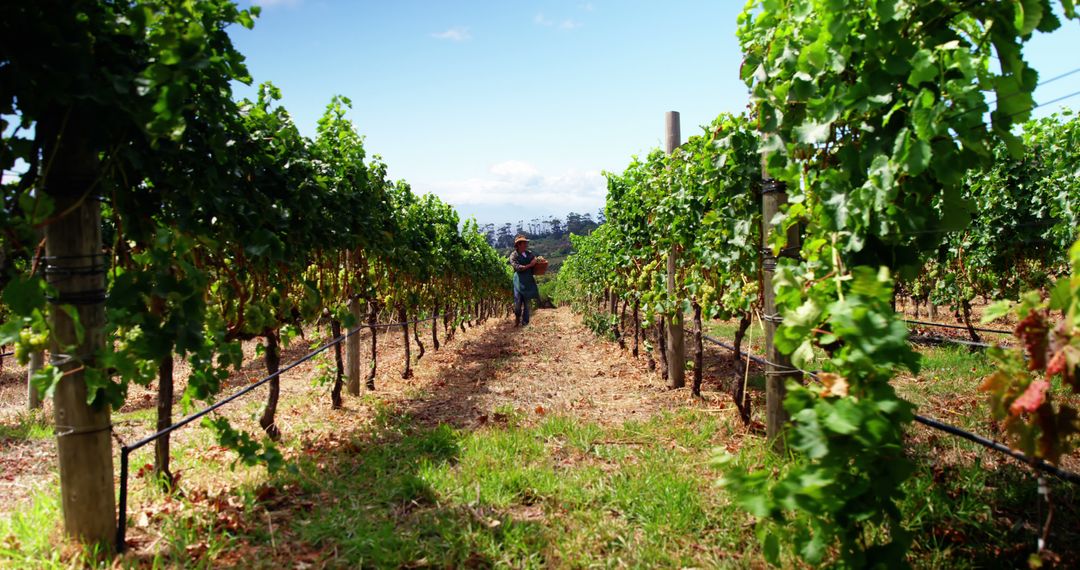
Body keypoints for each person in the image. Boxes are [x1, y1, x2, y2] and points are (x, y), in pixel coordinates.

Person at [508, 235, 539, 326]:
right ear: (518, 245)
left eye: (526, 243)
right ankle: (517, 317)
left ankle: (525, 322)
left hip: (528, 280)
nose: (526, 244)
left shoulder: (529, 253)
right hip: (518, 281)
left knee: (527, 301)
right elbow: (518, 268)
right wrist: (530, 265)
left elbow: (534, 259)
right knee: (517, 301)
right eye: (524, 243)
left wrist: (536, 261)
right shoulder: (513, 255)